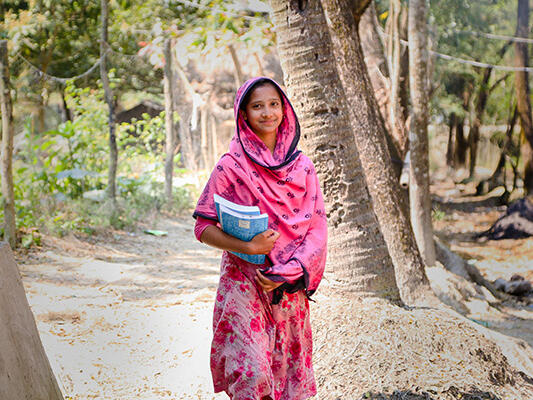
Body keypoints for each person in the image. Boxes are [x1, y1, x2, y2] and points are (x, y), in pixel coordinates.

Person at [193, 76, 327, 400]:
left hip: (287, 290)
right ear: (244, 114)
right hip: (243, 283)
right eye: (257, 106)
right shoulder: (230, 167)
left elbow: (317, 231)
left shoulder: (303, 168)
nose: (267, 113)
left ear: (285, 110)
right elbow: (202, 226)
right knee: (251, 375)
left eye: (274, 104)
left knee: (286, 380)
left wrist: (288, 271)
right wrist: (247, 247)